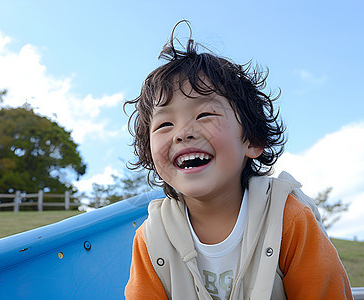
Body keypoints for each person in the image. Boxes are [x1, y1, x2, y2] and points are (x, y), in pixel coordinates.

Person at [124, 21, 352, 300]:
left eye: (204, 115)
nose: (183, 133)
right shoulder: (151, 239)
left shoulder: (288, 219)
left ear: (252, 141)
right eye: (165, 124)